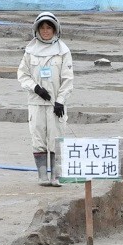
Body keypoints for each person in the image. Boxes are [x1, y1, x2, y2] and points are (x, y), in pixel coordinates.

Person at [18, 11, 74, 187]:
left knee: (56, 138)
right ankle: (42, 176)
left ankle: (57, 176)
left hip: (55, 105)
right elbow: (22, 74)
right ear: (37, 30)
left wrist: (60, 101)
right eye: (42, 28)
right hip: (36, 102)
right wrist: (35, 88)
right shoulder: (30, 51)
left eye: (49, 27)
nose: (46, 31)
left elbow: (68, 79)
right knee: (38, 138)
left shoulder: (63, 52)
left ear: (55, 29)